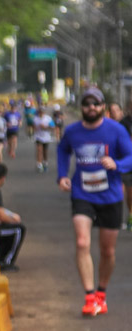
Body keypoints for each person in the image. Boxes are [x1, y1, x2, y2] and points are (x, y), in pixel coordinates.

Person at [57, 86, 132, 316]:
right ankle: (89, 296)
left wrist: (117, 165)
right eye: (87, 104)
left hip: (110, 196)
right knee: (82, 242)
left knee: (107, 251)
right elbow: (62, 151)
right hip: (82, 194)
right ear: (82, 107)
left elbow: (130, 157)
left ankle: (101, 292)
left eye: (96, 104)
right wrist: (61, 175)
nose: (92, 108)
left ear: (103, 107)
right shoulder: (72, 132)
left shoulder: (116, 130)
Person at [33, 108, 54, 173]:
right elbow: (34, 128)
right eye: (39, 112)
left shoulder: (48, 119)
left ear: (44, 112)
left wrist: (45, 127)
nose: (40, 113)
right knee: (39, 150)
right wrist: (36, 128)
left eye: (41, 112)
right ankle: (39, 165)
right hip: (38, 137)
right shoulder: (35, 119)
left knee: (45, 152)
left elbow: (53, 128)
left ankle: (45, 163)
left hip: (46, 137)